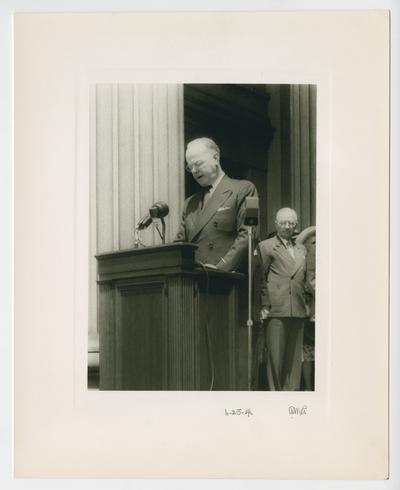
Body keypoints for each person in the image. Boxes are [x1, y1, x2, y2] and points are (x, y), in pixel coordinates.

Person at [174, 137, 258, 272]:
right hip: (192, 282)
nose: (194, 171)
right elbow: (180, 245)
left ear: (216, 157)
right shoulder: (189, 203)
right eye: (190, 167)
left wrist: (222, 268)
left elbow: (249, 235)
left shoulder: (247, 189)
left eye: (198, 163)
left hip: (225, 281)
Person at [256, 208, 308, 391]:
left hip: (298, 308)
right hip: (276, 308)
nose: (287, 226)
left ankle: (291, 394)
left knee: (294, 359)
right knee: (276, 359)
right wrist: (264, 304)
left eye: (291, 223)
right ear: (276, 224)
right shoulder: (266, 246)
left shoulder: (302, 249)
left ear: (296, 225)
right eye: (284, 222)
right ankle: (275, 396)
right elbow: (259, 278)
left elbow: (304, 278)